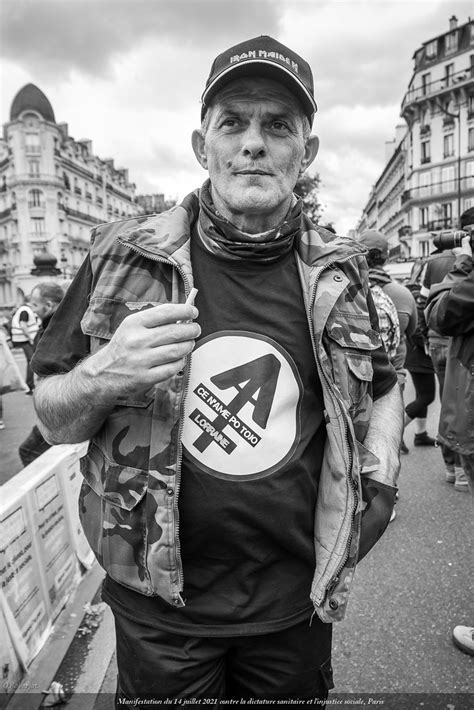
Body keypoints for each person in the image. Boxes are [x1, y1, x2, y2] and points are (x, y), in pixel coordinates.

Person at [31, 36, 403, 705]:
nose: (252, 144)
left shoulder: (344, 274)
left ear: (306, 152)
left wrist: (378, 480)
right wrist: (106, 372)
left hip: (296, 605)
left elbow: (385, 385)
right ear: (203, 147)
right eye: (232, 122)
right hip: (160, 611)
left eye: (277, 126)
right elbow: (54, 416)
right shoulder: (124, 258)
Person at [425, 208, 474, 656]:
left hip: (448, 350)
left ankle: (452, 465)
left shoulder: (458, 271)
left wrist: (464, 263)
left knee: (446, 395)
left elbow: (439, 312)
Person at [358, 231, 420, 452]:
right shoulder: (402, 294)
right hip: (392, 377)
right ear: (385, 258)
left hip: (354, 380)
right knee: (385, 450)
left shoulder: (345, 290)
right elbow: (412, 332)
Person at [419, 246, 467, 490]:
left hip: (439, 339)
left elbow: (425, 302)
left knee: (448, 401)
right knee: (461, 403)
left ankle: (451, 466)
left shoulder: (436, 262)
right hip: (459, 341)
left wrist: (423, 337)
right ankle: (460, 470)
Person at [18, 282, 66, 466]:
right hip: (58, 403)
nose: (32, 309)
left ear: (49, 305)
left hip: (58, 404)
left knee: (28, 450)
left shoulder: (55, 329)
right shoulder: (55, 324)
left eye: (35, 305)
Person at [403, 281, 437, 448]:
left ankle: (420, 435)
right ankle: (396, 430)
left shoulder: (412, 299)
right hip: (420, 357)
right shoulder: (419, 302)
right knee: (427, 396)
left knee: (421, 396)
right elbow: (417, 332)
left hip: (414, 356)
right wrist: (429, 345)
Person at [11, 296, 40, 395]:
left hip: (23, 339)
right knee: (31, 360)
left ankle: (30, 384)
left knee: (30, 361)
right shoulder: (25, 310)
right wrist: (30, 338)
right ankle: (30, 385)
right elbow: (23, 325)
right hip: (25, 339)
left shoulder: (24, 310)